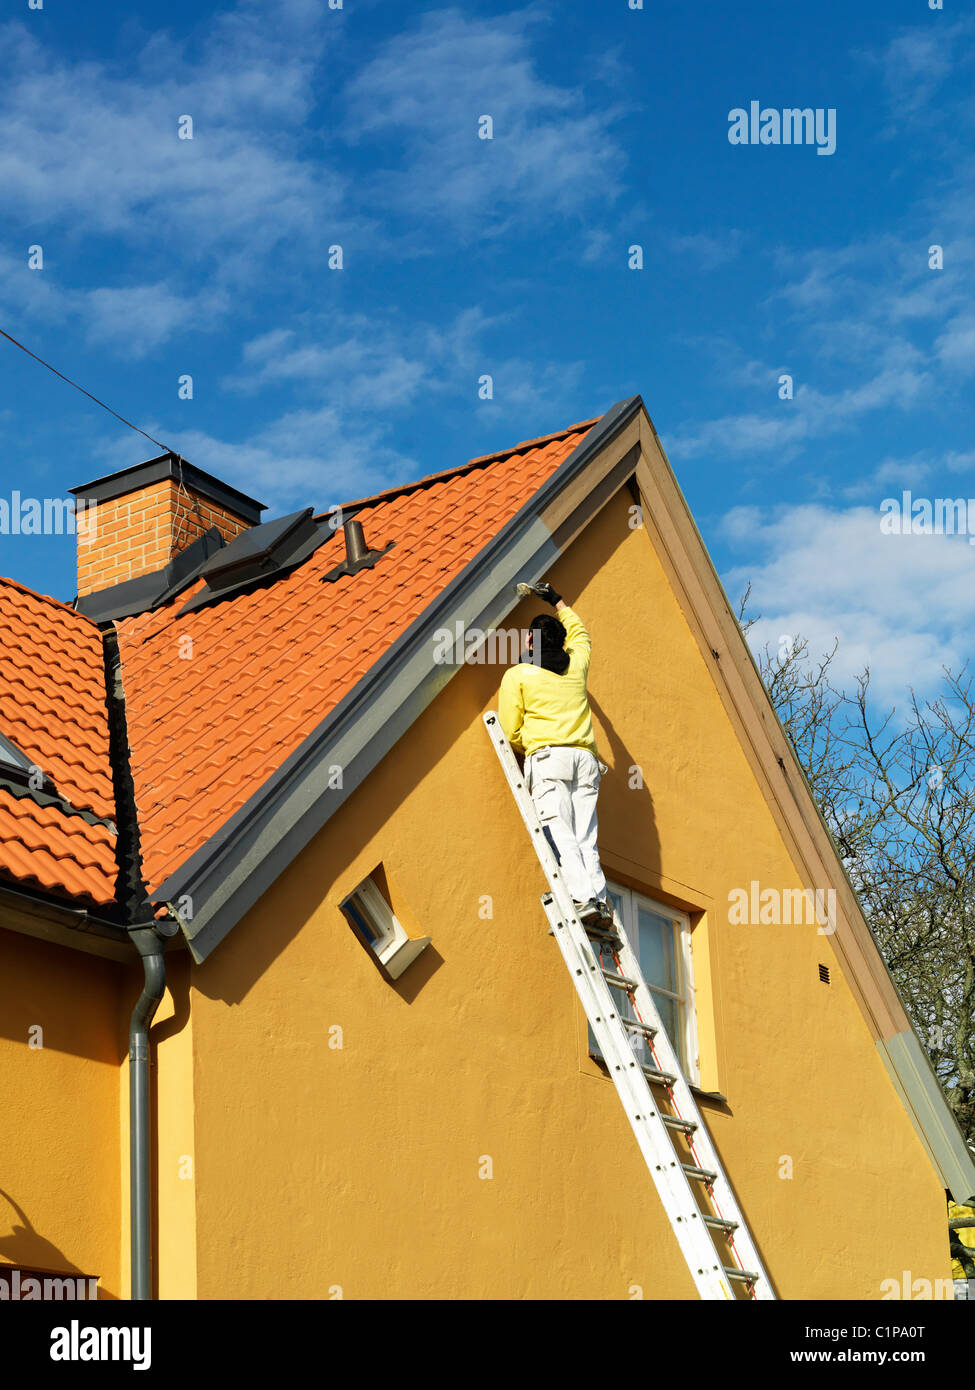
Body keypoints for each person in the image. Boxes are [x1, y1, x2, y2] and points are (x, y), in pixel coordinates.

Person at [498, 580, 611, 924]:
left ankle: (581, 898)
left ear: (530, 640)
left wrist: (526, 745)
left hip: (549, 759)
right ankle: (599, 900)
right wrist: (558, 600)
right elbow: (582, 635)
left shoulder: (519, 675)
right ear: (559, 641)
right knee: (584, 836)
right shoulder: (576, 666)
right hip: (586, 762)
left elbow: (510, 728)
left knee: (557, 828)